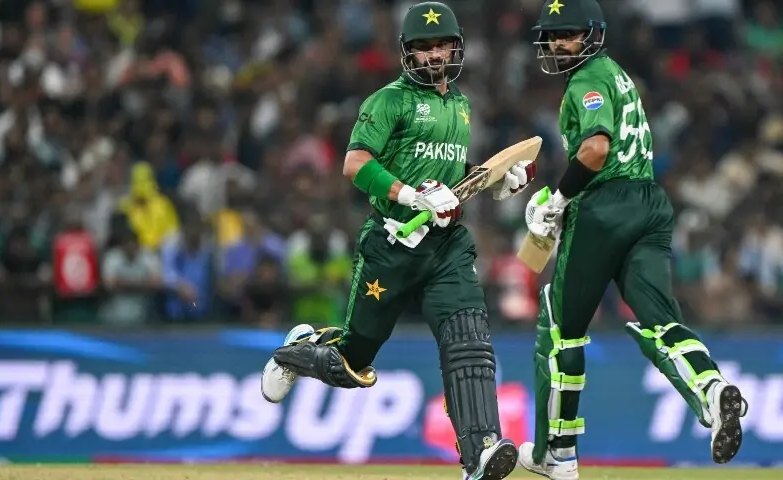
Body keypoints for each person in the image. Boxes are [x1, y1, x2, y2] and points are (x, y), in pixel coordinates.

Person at [261, 2, 535, 479]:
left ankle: (482, 453)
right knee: (352, 363)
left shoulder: (462, 106)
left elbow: (453, 180)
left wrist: (498, 179)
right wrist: (411, 196)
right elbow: (354, 164)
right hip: (391, 245)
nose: (433, 56)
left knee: (469, 344)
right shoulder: (387, 101)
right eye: (423, 48)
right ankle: (296, 352)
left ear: (457, 48)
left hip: (447, 248)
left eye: (441, 46)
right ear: (407, 53)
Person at [516, 1, 748, 479]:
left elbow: (597, 150)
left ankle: (556, 453)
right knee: (660, 321)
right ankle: (711, 387)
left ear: (593, 35)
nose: (559, 44)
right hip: (649, 204)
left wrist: (558, 200)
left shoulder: (586, 80)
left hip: (606, 206)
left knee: (561, 329)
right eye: (554, 35)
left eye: (570, 34)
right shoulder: (617, 74)